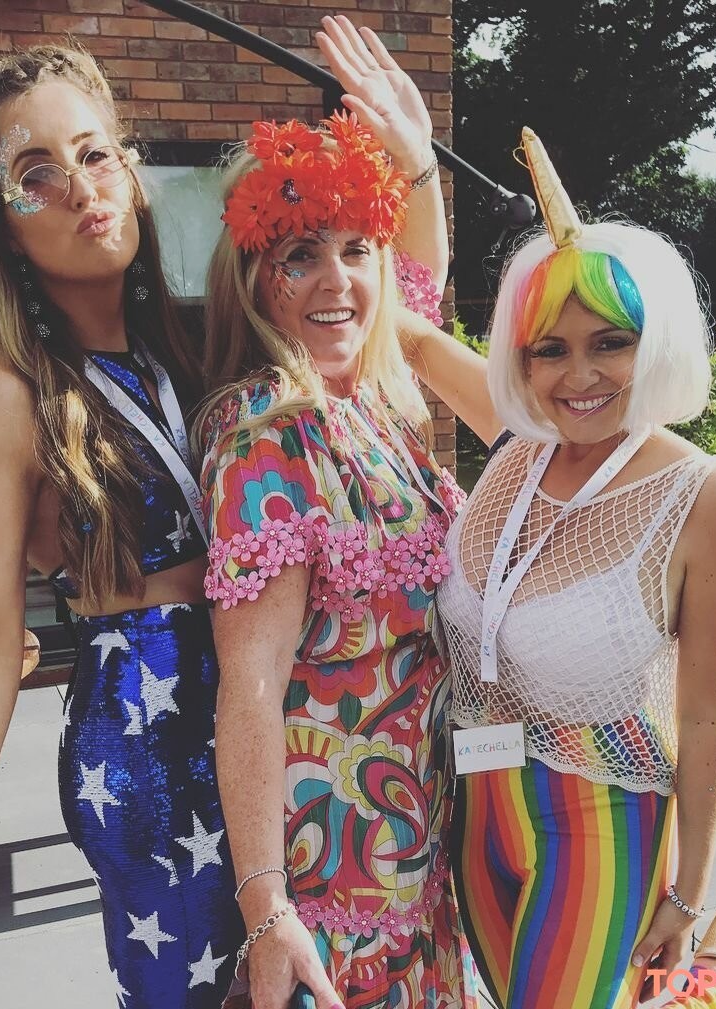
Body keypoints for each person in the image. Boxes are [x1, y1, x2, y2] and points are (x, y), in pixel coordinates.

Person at [0, 46, 244, 1008]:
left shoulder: (188, 350)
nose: (82, 188)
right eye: (37, 174)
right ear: (2, 223)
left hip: (265, 707)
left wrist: (411, 165)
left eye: (95, 153)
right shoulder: (1, 392)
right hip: (151, 742)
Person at [404, 130, 716, 1009]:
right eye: (549, 349)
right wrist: (403, 154)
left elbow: (706, 715)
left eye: (609, 342)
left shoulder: (703, 497)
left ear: (656, 345)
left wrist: (689, 892)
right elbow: (409, 334)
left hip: (602, 815)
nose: (578, 375)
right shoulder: (519, 446)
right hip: (477, 808)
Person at [197, 18, 477, 1009]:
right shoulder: (269, 433)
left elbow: (415, 289)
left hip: (418, 852)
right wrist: (267, 906)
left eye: (357, 249)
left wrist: (417, 162)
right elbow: (250, 688)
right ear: (254, 278)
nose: (337, 280)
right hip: (336, 882)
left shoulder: (374, 400)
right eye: (300, 254)